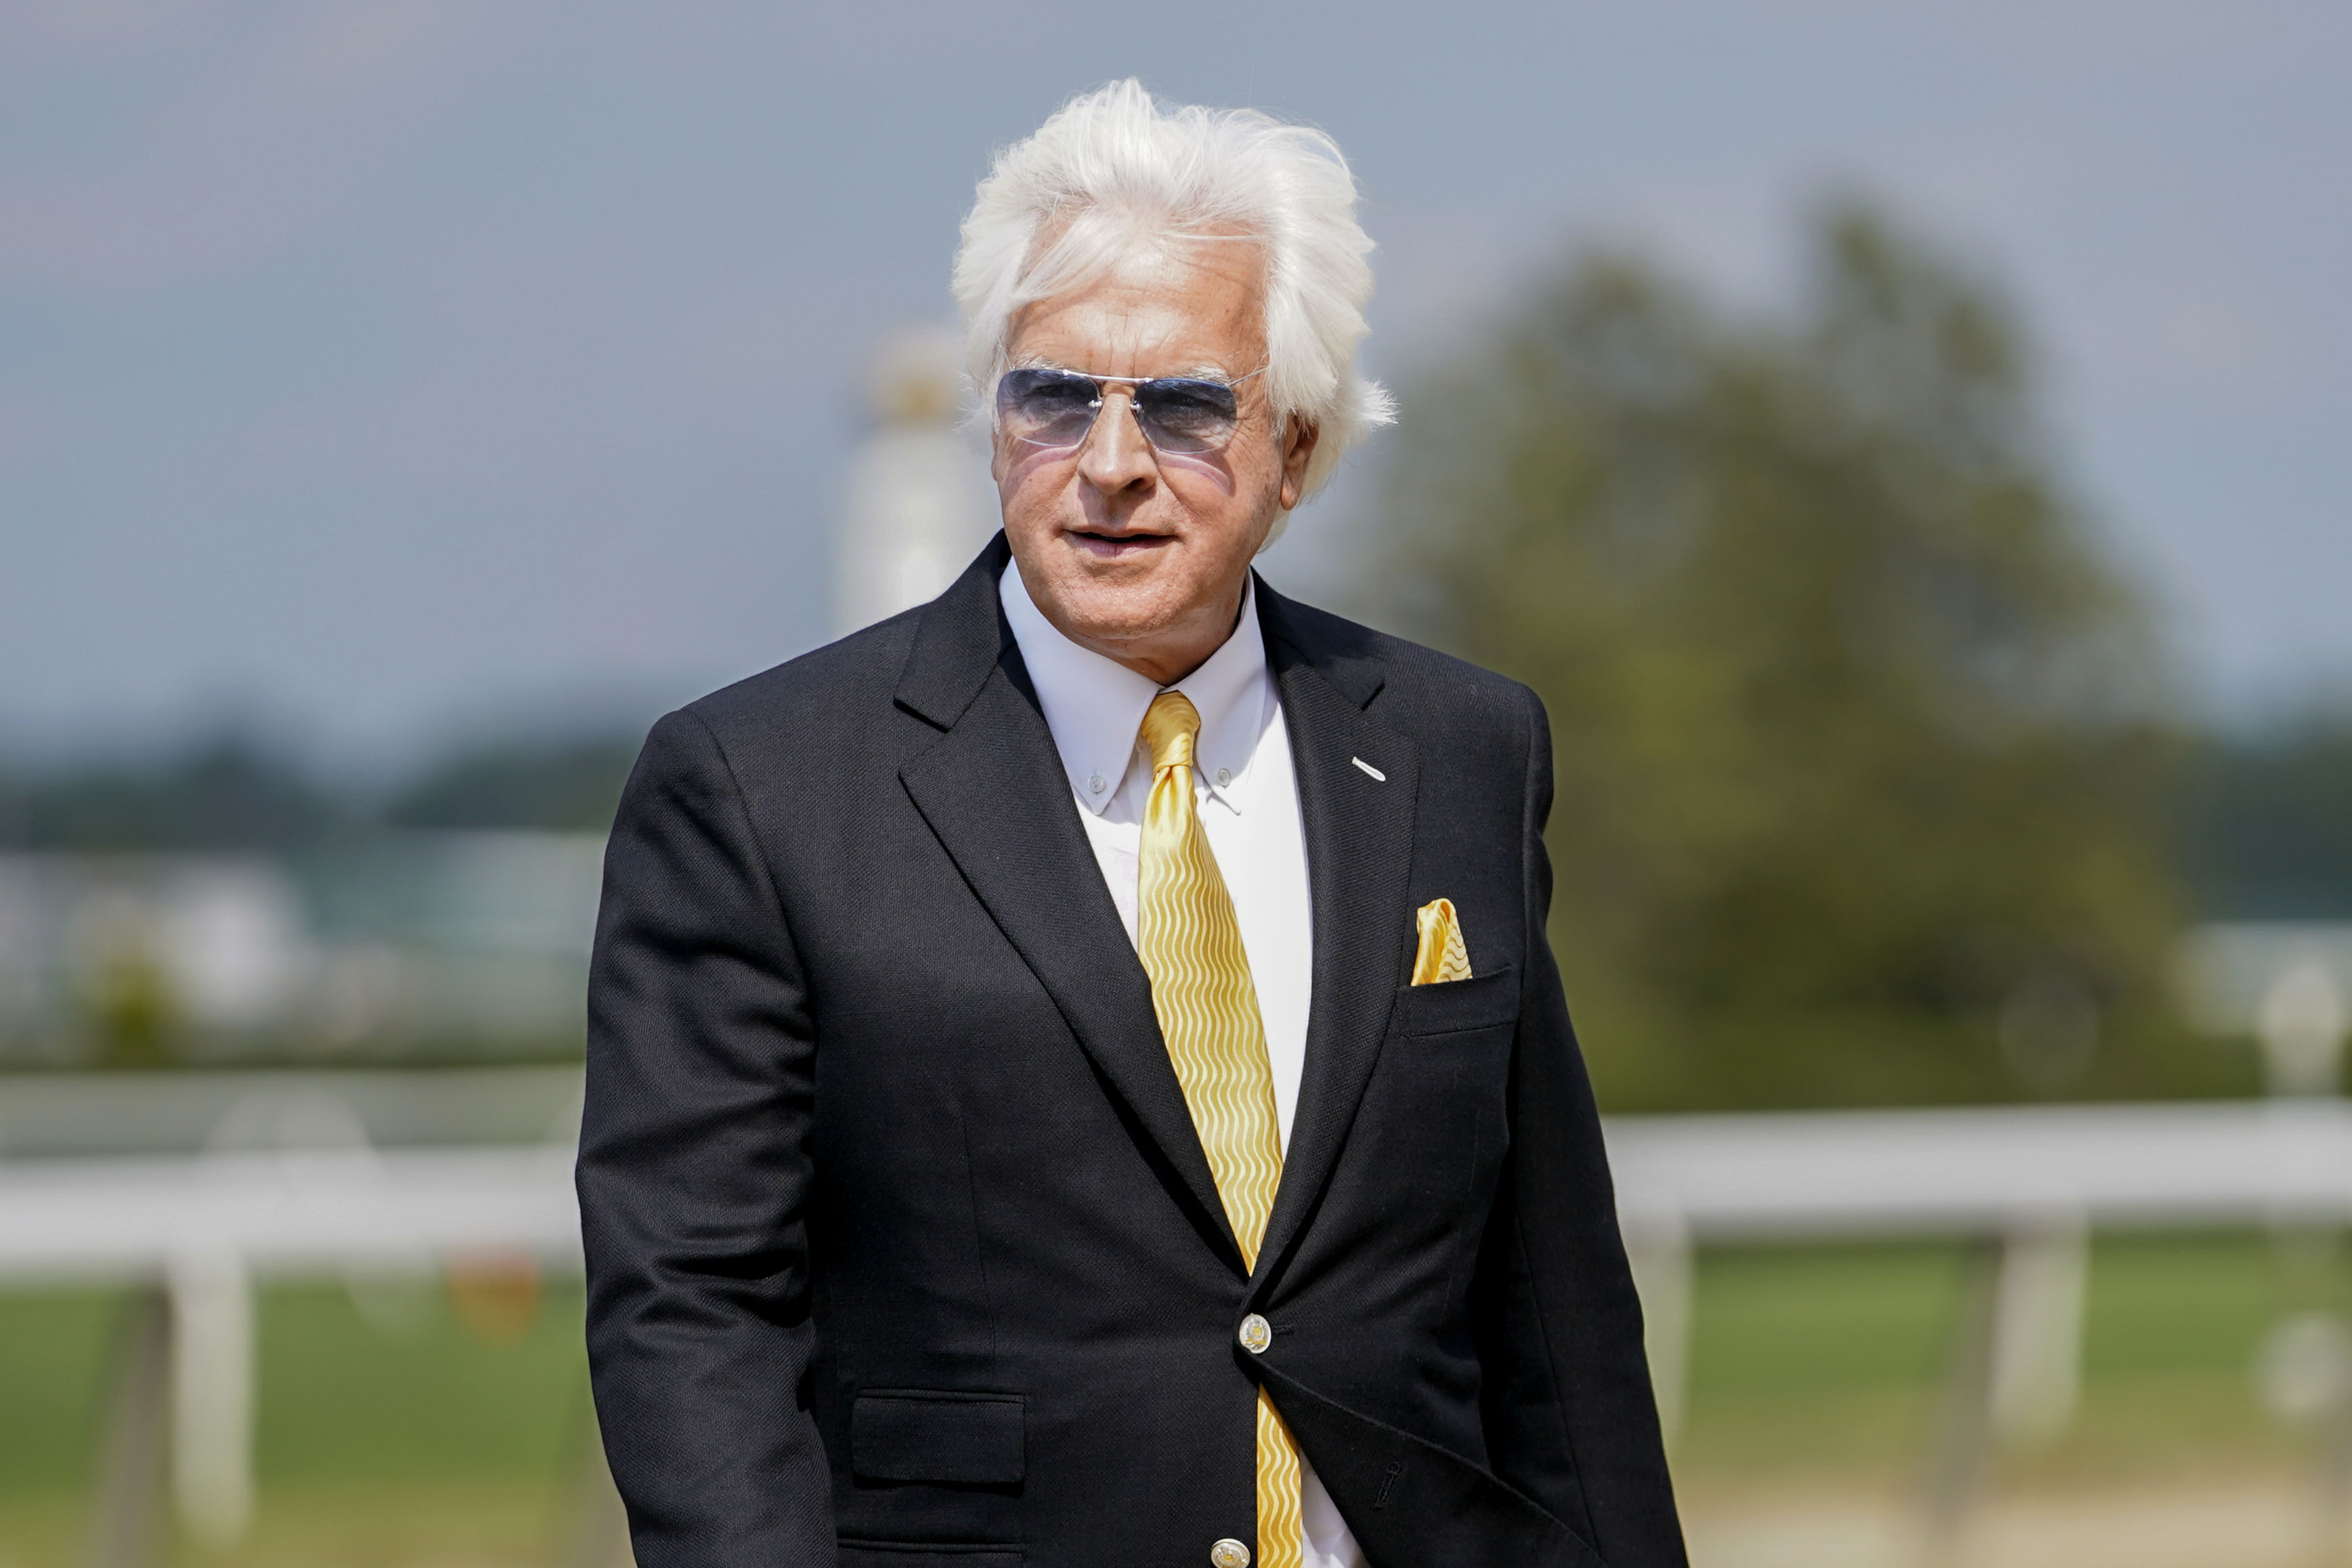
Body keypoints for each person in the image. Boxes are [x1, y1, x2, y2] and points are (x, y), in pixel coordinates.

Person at [578, 80, 1685, 1568]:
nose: (1108, 464)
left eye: (1182, 406)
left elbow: (1553, 1301)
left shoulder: (1459, 751)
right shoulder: (758, 789)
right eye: (1053, 397)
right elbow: (690, 1316)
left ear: (1296, 447)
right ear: (992, 425)